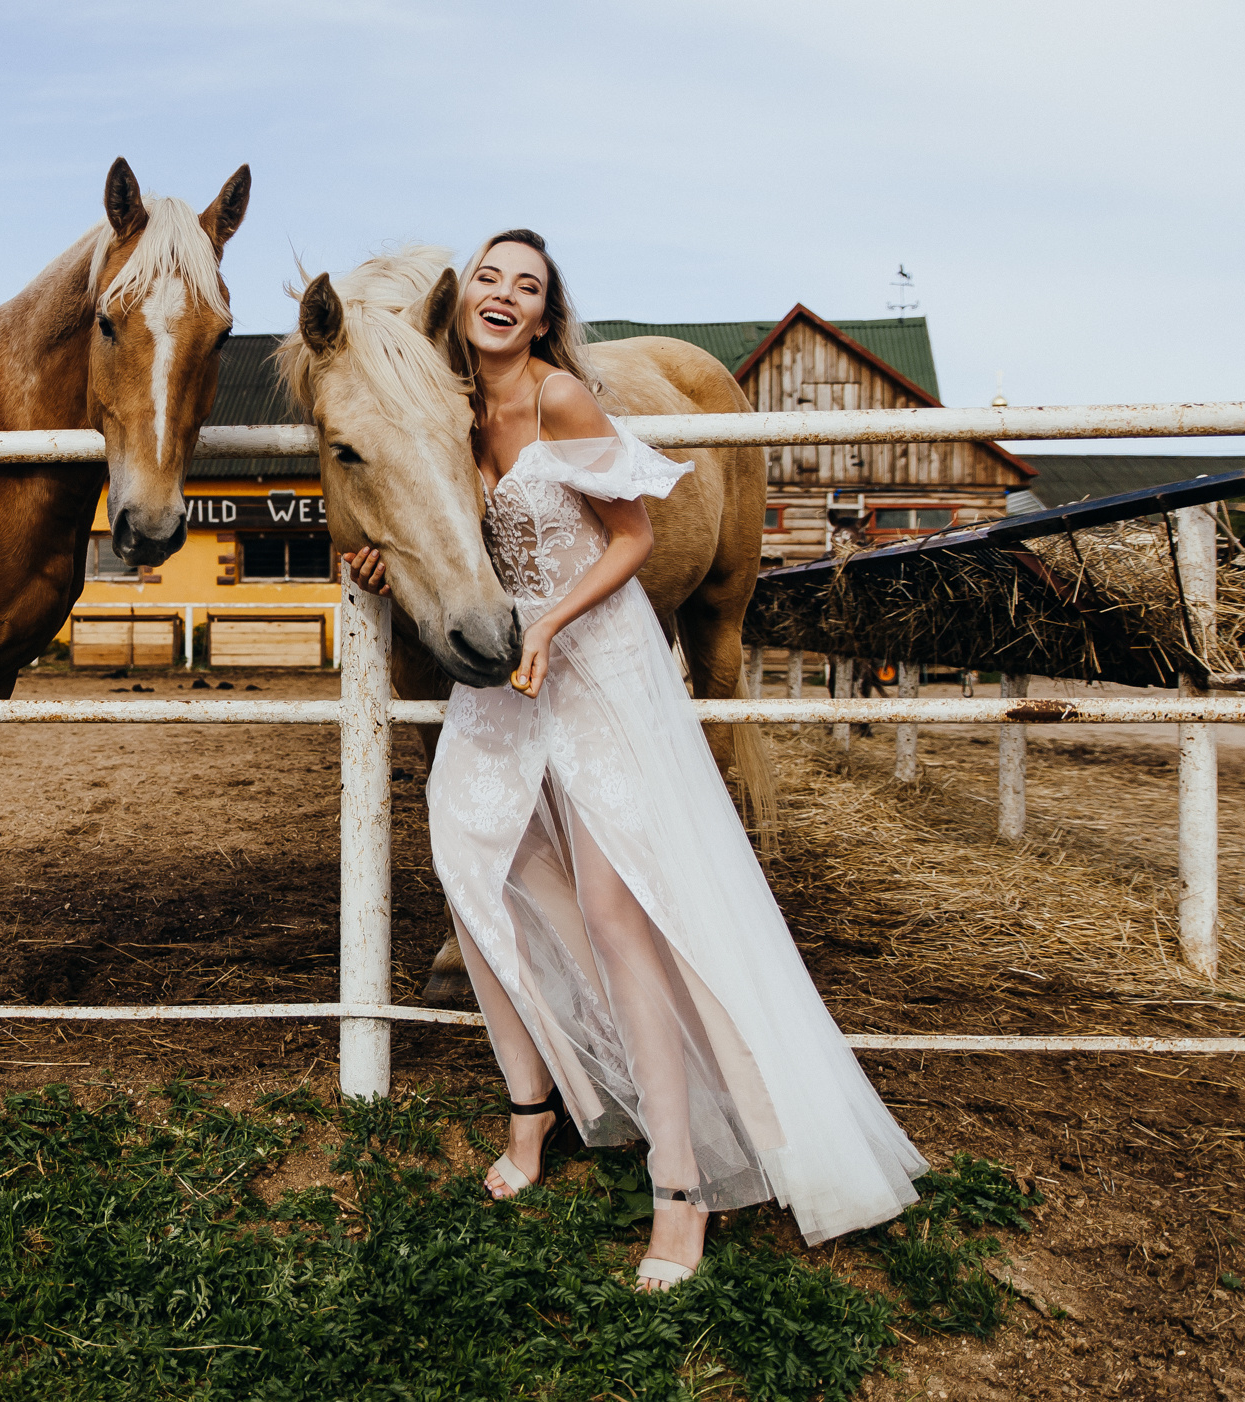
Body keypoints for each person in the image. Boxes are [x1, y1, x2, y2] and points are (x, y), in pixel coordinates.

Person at [343, 229, 926, 1291]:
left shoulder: (563, 398)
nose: (504, 296)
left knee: (621, 917)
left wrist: (548, 623)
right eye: (489, 278)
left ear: (543, 307)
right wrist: (378, 556)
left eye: (526, 285)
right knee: (477, 872)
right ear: (458, 298)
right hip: (502, 678)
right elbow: (420, 512)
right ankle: (532, 1112)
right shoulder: (441, 406)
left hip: (591, 658)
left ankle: (680, 1182)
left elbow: (634, 540)